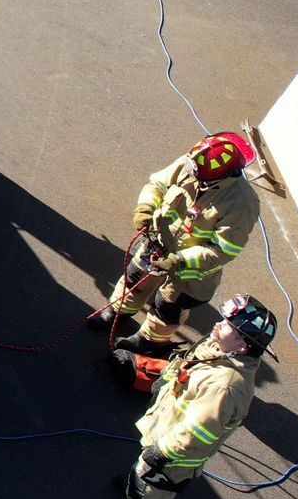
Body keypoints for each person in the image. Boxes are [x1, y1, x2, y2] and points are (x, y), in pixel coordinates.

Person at [97, 294, 275, 499]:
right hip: (168, 430)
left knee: (152, 490)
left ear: (244, 344)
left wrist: (162, 452)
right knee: (142, 472)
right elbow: (189, 364)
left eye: (227, 325)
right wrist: (166, 379)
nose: (217, 325)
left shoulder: (226, 387)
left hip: (177, 453)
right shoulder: (219, 349)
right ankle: (135, 481)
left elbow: (196, 434)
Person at [94, 133, 263, 358]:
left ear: (221, 177)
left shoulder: (242, 203)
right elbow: (158, 185)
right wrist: (145, 208)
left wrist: (177, 261)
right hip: (158, 243)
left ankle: (149, 341)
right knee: (135, 277)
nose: (191, 176)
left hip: (191, 270)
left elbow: (223, 250)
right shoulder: (193, 164)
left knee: (167, 305)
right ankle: (118, 311)